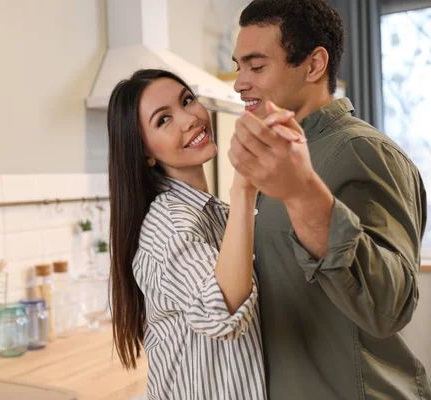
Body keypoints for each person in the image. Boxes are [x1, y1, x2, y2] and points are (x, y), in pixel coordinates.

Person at [228, 0, 430, 399]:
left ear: (314, 65)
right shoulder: (281, 156)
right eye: (238, 66)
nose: (239, 83)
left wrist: (304, 195)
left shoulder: (366, 151)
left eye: (256, 65)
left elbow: (391, 306)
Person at [107, 69, 299, 399]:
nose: (189, 119)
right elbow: (221, 312)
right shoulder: (169, 225)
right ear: (146, 153)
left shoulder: (219, 216)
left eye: (187, 101)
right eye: (163, 120)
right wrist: (244, 185)